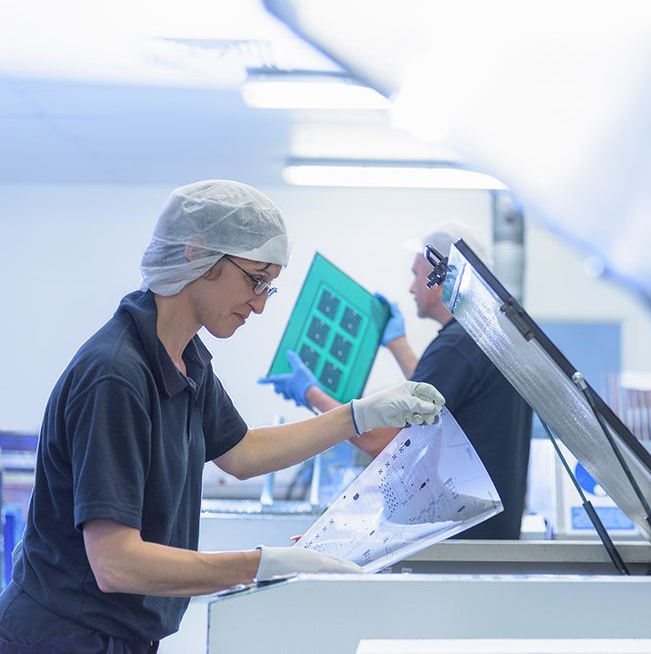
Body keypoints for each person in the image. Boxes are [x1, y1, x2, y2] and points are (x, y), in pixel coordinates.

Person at [0, 181, 444, 653]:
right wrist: (262, 564)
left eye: (269, 285)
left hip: (120, 635)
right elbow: (116, 564)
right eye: (255, 280)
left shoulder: (185, 358)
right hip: (59, 637)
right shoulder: (117, 375)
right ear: (197, 255)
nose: (260, 303)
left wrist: (358, 414)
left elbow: (241, 452)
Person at [260, 221, 532, 540]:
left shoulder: (457, 346)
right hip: (486, 534)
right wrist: (397, 343)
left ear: (441, 276)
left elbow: (384, 439)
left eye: (416, 275)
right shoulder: (481, 340)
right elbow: (432, 403)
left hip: (459, 538)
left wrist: (312, 394)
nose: (411, 288)